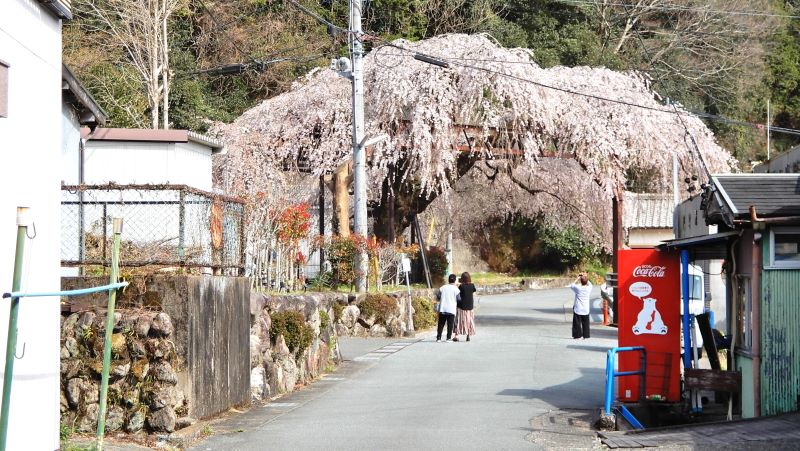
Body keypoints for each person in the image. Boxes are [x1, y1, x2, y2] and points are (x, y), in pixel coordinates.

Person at [452, 272, 477, 342]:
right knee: (469, 320)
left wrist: (457, 285)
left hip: (461, 306)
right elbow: (474, 290)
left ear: (462, 279)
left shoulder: (461, 286)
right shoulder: (472, 285)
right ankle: (468, 335)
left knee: (459, 320)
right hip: (470, 306)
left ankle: (456, 336)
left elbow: (457, 293)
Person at [436, 274, 460, 342]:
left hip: (442, 308)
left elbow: (438, 296)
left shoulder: (442, 287)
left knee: (441, 324)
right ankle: (448, 338)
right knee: (450, 324)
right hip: (451, 309)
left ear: (448, 280)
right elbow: (459, 299)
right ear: (455, 280)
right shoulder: (456, 289)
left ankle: (438, 338)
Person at [570, 272, 592, 339]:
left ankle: (577, 336)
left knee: (577, 323)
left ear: (581, 281)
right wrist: (585, 276)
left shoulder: (578, 288)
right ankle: (586, 335)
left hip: (578, 308)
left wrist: (578, 278)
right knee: (586, 323)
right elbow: (590, 283)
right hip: (586, 308)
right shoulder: (589, 288)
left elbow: (572, 285)